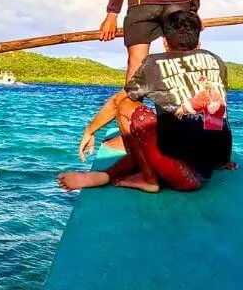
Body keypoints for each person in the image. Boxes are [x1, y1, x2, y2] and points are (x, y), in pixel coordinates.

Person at [58, 11, 232, 194]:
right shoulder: (216, 61)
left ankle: (148, 179)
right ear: (198, 43)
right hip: (214, 164)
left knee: (127, 106)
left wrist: (89, 130)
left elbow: (117, 102)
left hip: (182, 175)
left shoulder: (154, 63)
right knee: (170, 132)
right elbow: (217, 109)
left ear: (165, 41)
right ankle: (106, 175)